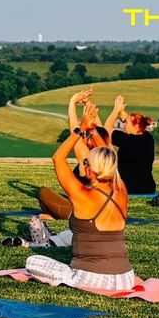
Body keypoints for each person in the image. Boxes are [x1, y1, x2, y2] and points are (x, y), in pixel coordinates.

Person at [23, 113, 136, 291]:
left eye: (86, 162)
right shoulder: (120, 190)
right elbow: (109, 155)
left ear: (92, 169)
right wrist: (92, 131)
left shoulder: (82, 195)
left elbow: (58, 158)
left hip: (93, 278)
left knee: (32, 261)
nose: (83, 164)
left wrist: (79, 130)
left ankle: (51, 251)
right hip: (126, 278)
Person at [36, 88, 112, 221]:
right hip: (103, 210)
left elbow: (74, 130)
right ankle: (55, 215)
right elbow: (100, 131)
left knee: (43, 192)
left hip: (81, 212)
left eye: (86, 136)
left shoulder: (88, 159)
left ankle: (56, 216)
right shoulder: (109, 157)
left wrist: (72, 103)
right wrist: (88, 103)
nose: (84, 137)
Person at [105, 95, 156, 195]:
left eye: (126, 123)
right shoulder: (148, 138)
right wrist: (121, 111)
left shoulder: (126, 139)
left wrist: (116, 110)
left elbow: (106, 130)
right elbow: (132, 121)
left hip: (127, 188)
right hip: (147, 187)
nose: (124, 125)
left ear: (136, 126)